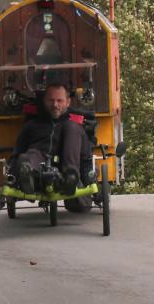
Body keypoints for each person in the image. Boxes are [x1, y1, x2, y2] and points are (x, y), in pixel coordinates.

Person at [10, 83, 94, 212]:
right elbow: (17, 151)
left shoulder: (75, 126)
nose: (55, 105)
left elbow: (86, 156)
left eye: (59, 100)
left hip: (67, 166)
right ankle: (27, 175)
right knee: (28, 157)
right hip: (40, 164)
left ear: (67, 102)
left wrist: (88, 177)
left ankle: (70, 177)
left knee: (72, 127)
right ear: (44, 101)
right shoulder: (32, 124)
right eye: (51, 100)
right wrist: (13, 175)